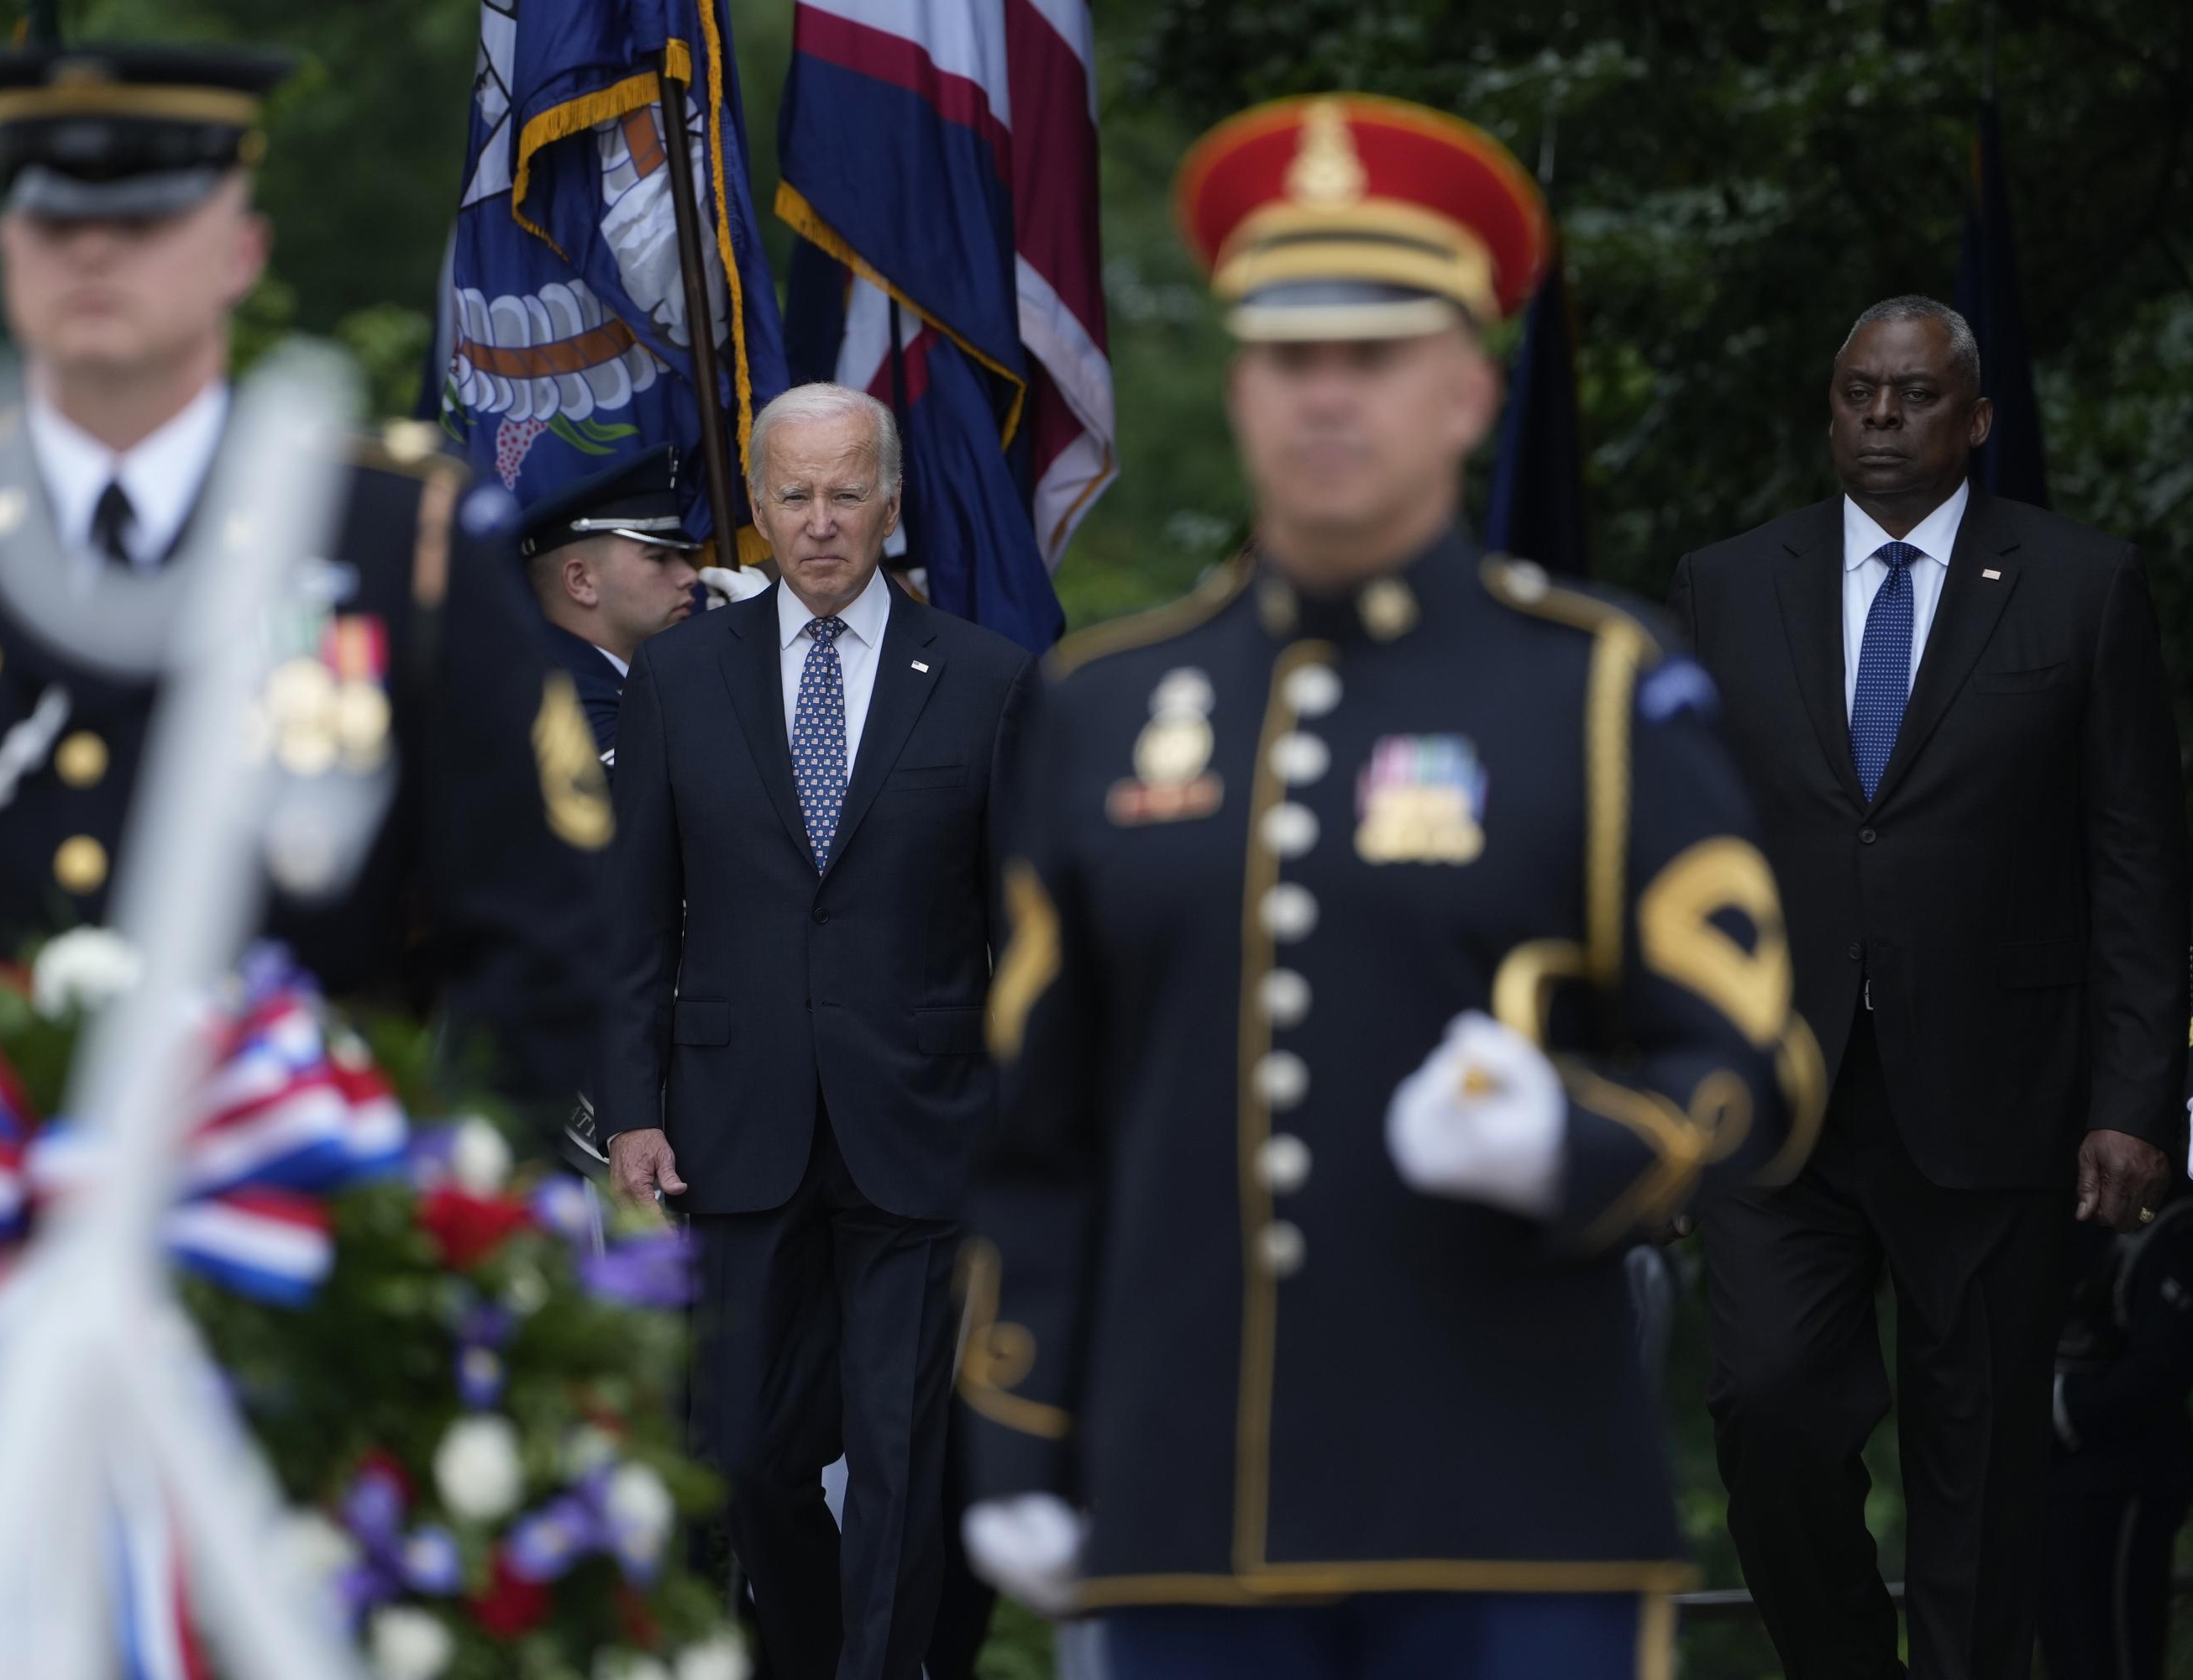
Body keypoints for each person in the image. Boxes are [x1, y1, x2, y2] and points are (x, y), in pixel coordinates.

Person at [956, 94, 1822, 1680]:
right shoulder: (1098, 705)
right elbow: (1039, 1127)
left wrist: (1575, 1139)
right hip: (1182, 1517)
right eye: (1293, 359)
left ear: (1467, 392)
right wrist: (1018, 1431)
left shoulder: (1605, 690)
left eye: (1377, 355)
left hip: (1510, 1518)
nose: (1328, 396)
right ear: (1238, 390)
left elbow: (1754, 1068)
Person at [0, 44, 609, 1104]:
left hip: (300, 1227)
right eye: (55, 222)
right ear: (8, 247)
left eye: (145, 222)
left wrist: (425, 1216)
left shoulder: (398, 541)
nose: (94, 254)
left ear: (243, 252)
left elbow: (540, 945)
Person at [1669, 295, 2189, 1678]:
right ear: (1829, 408)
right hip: (1773, 1102)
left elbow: (2134, 859)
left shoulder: (2081, 584)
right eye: (1859, 394)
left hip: (2002, 1102)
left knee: (1984, 1463)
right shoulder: (1729, 583)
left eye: (1912, 396)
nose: (1883, 420)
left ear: (1975, 416)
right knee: (1770, 1412)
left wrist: (2139, 1098)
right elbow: (1676, 849)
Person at [597, 381, 1036, 1680]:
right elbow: (631, 921)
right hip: (734, 1128)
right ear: (759, 507)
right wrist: (631, 1106)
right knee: (746, 1456)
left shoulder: (987, 680)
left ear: (890, 504)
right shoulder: (678, 678)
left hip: (927, 1127)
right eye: (794, 495)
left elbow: (1030, 934)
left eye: (848, 493)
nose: (822, 522)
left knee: (904, 1465)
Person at [2038, 1183, 2193, 1679]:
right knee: (2070, 1651)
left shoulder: (2169, 1223)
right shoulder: (2057, 1201)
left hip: (2124, 1477)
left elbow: (2165, 1364)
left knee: (2112, 1657)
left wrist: (2062, 1403)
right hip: (2052, 1474)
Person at [517, 445, 701, 765]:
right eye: (659, 558)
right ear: (581, 582)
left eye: (682, 557)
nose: (689, 576)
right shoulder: (560, 698)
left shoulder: (608, 678)